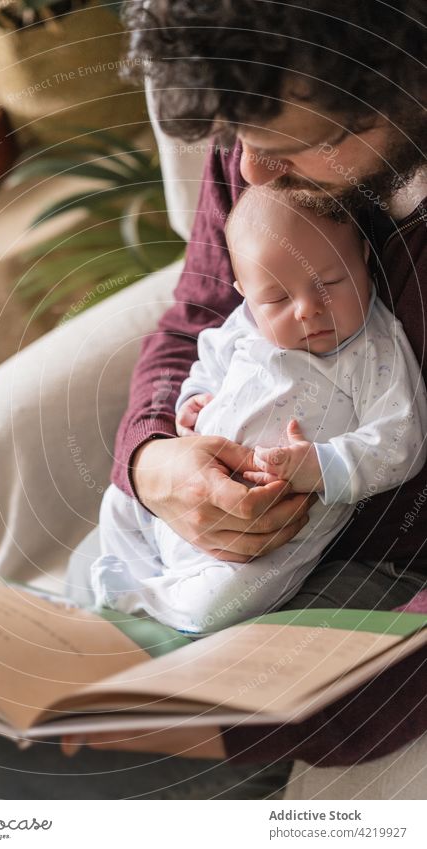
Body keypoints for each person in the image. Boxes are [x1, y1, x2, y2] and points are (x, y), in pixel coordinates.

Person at [0, 0, 426, 799]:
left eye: (297, 146)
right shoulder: (256, 127)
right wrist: (154, 461)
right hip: (181, 556)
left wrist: (214, 727)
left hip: (367, 590)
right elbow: (201, 316)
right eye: (234, 138)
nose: (247, 172)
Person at [89, 188, 427, 633]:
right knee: (119, 500)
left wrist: (323, 467)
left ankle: (150, 606)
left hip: (270, 535)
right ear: (244, 293)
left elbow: (401, 439)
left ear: (364, 255)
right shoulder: (242, 326)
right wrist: (191, 401)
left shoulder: (374, 348)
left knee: (221, 606)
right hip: (188, 489)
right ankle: (129, 583)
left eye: (330, 282)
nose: (308, 309)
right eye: (277, 300)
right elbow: (203, 356)